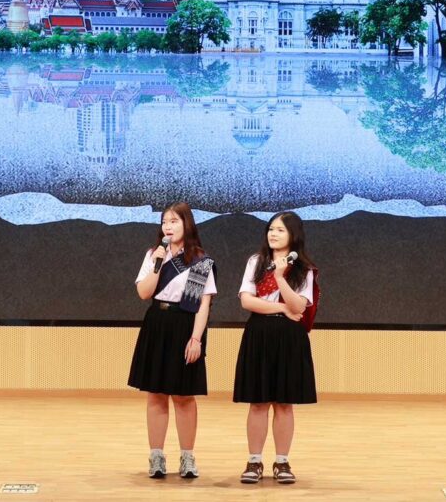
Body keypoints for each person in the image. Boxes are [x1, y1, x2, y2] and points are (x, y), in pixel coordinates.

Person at [128, 202, 217, 479]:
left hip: (184, 325)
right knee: (156, 393)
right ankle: (156, 457)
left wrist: (196, 339)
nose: (168, 226)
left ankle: (187, 457)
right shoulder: (153, 254)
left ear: (187, 224)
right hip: (157, 323)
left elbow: (203, 304)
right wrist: (157, 264)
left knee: (184, 395)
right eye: (164, 221)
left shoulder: (199, 260)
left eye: (174, 221)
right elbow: (144, 293)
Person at [233, 211, 317, 485]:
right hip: (259, 332)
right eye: (271, 228)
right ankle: (254, 461)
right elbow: (247, 301)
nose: (273, 234)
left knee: (284, 403)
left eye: (280, 230)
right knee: (258, 402)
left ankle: (282, 462)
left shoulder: (303, 269)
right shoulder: (256, 262)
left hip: (289, 337)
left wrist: (280, 277)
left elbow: (299, 306)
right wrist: (281, 306)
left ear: (294, 235)